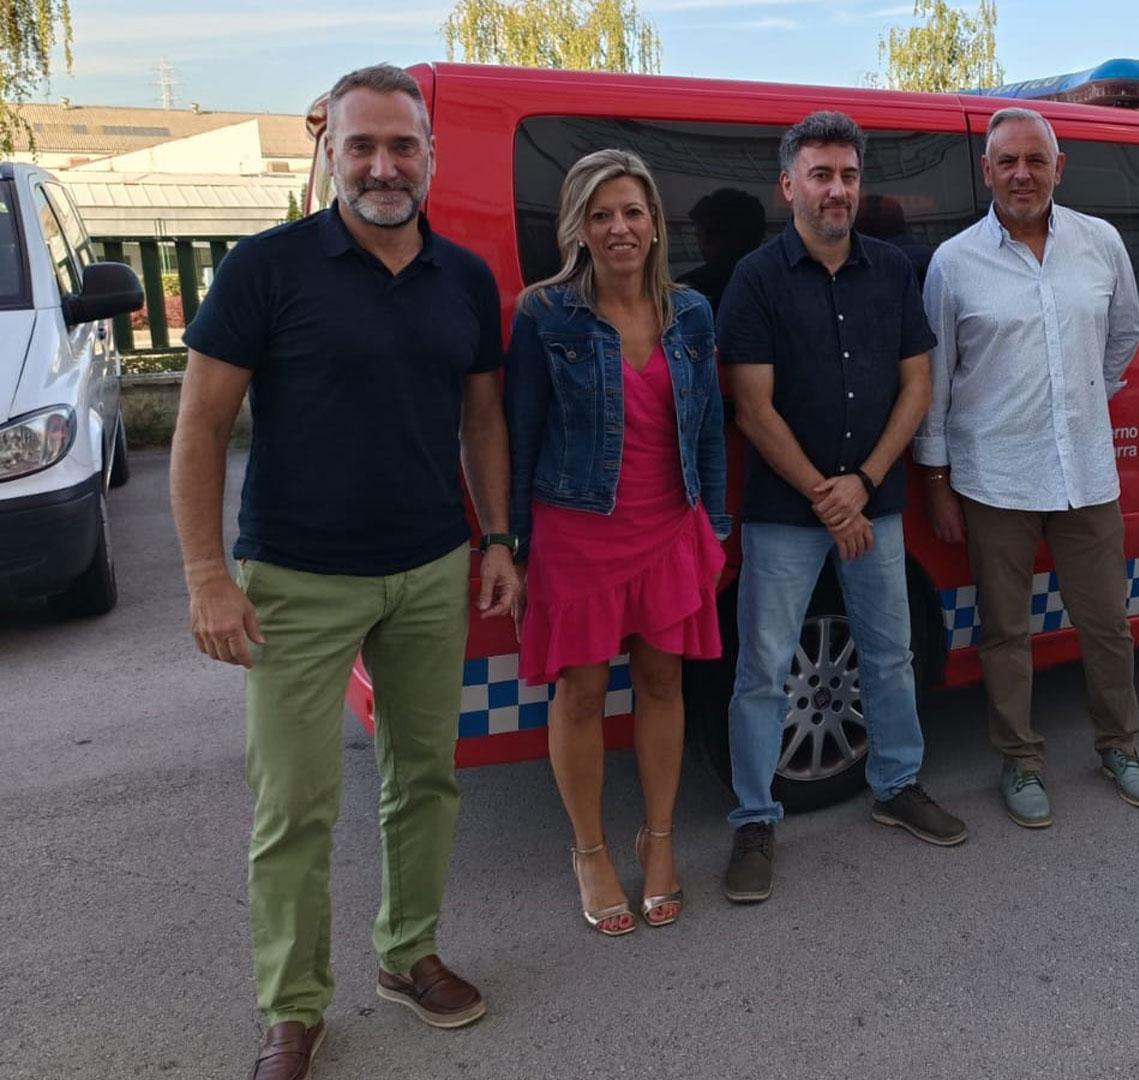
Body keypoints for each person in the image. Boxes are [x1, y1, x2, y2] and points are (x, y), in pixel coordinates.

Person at [169, 64, 509, 1080]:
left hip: (430, 567)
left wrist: (497, 537)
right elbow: (200, 424)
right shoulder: (266, 269)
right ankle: (293, 1008)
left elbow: (482, 417)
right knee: (296, 806)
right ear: (328, 155)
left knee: (426, 779)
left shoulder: (467, 279)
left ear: (431, 159)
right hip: (297, 581)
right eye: (360, 145)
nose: (382, 165)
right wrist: (204, 575)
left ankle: (407, 958)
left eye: (402, 146)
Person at [717, 110, 967, 904]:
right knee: (761, 671)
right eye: (821, 175)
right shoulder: (755, 278)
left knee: (890, 654)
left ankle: (898, 786)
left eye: (849, 176)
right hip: (785, 514)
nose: (837, 190)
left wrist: (862, 482)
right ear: (788, 184)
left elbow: (918, 385)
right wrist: (832, 498)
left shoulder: (893, 270)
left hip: (875, 501)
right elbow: (753, 409)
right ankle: (755, 818)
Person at [505, 149, 728, 937]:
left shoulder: (693, 314)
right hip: (576, 531)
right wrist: (511, 544)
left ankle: (658, 839)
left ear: (655, 224)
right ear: (578, 228)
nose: (619, 228)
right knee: (583, 693)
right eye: (600, 215)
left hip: (670, 525)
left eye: (632, 211)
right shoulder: (545, 314)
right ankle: (591, 850)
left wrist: (717, 527)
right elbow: (517, 433)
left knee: (664, 685)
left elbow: (710, 432)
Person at [915, 107, 1139, 828]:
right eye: (1008, 162)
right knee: (1005, 631)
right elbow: (937, 375)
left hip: (1085, 470)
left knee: (1107, 623)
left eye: (1035, 160)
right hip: (995, 478)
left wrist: (1080, 397)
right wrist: (936, 478)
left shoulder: (1101, 243)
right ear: (986, 171)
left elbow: (1126, 334)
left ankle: (1121, 746)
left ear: (1059, 167)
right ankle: (1019, 761)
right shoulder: (954, 263)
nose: (1023, 174)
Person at [677, 187, 767, 309]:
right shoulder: (777, 284)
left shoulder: (687, 290)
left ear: (709, 235)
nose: (697, 238)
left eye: (698, 232)